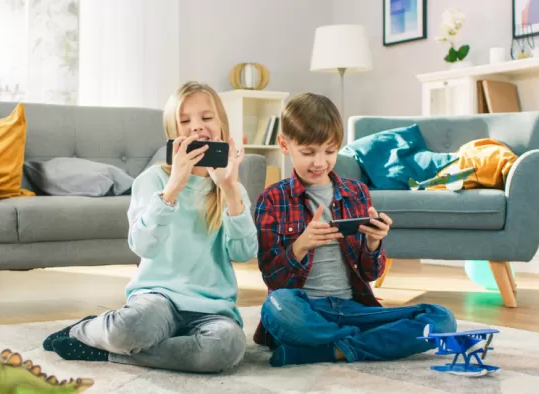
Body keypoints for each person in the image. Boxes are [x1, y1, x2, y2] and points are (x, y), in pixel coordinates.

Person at [42, 81, 257, 373]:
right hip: (158, 299)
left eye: (206, 118)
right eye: (185, 121)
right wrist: (172, 189)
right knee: (129, 329)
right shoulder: (153, 181)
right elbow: (143, 245)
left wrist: (229, 189)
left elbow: (244, 253)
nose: (196, 127)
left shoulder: (232, 188)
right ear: (172, 133)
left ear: (222, 125)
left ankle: (111, 354)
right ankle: (85, 330)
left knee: (227, 348)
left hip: (213, 309)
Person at [253, 92, 457, 367]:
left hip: (353, 309)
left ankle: (331, 349)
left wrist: (374, 244)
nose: (320, 162)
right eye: (308, 152)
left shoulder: (357, 193)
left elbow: (370, 274)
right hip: (304, 309)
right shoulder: (272, 199)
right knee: (276, 308)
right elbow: (273, 280)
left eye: (329, 151)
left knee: (442, 318)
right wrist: (300, 246)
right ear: (284, 145)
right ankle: (372, 342)